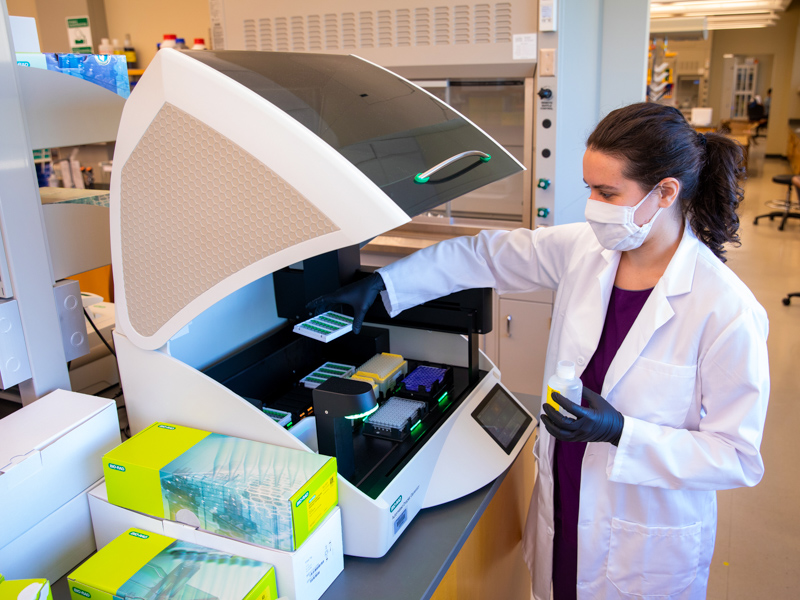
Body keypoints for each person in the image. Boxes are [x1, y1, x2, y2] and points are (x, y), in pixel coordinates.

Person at [311, 102, 769, 599]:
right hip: (565, 495)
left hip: (642, 530)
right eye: (590, 187)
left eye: (607, 192)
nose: (592, 204)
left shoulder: (725, 308)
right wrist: (381, 285)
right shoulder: (586, 251)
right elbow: (483, 256)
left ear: (665, 193)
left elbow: (736, 456)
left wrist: (622, 433)